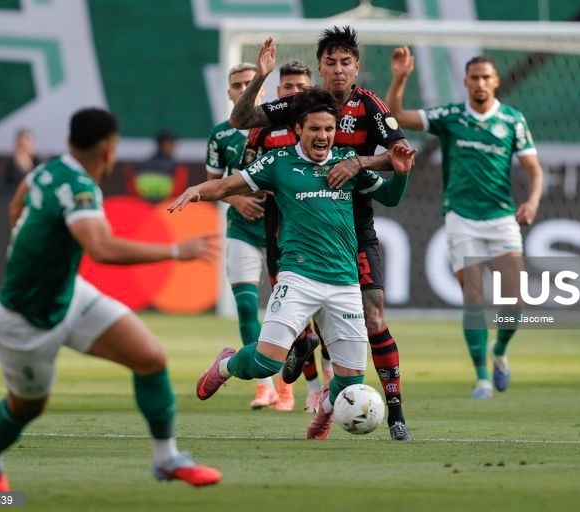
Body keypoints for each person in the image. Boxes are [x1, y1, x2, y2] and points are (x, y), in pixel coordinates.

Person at [0, 108, 222, 492]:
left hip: (68, 294)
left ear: (70, 142)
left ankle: (167, 459)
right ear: (110, 149)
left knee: (150, 359)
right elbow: (100, 248)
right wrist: (174, 251)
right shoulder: (82, 188)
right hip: (22, 321)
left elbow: (15, 206)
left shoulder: (45, 171)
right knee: (28, 407)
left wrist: (32, 248)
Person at [169, 87, 415, 440]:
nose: (323, 136)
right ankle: (225, 365)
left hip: (345, 283)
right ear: (299, 128)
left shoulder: (346, 163)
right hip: (299, 278)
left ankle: (325, 414)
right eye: (315, 129)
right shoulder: (279, 162)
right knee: (266, 363)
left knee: (350, 380)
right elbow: (228, 186)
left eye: (329, 129)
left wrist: (402, 173)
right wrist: (197, 190)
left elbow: (390, 197)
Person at [230, 26, 414, 441]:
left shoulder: (370, 107)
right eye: (329, 62)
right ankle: (301, 342)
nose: (337, 70)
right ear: (320, 67)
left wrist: (360, 164)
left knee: (373, 314)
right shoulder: (302, 104)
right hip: (292, 221)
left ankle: (396, 412)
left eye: (345, 62)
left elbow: (400, 155)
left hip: (353, 223)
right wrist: (260, 77)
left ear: (356, 67)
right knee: (291, 311)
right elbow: (241, 119)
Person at [385, 47, 543, 399]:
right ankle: (482, 378)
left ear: (496, 82)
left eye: (487, 77)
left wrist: (531, 202)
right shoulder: (451, 116)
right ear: (465, 82)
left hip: (502, 218)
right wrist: (399, 79)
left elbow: (535, 171)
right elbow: (396, 114)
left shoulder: (513, 120)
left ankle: (499, 351)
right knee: (473, 296)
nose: (481, 83)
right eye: (475, 78)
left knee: (514, 302)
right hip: (461, 218)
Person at [241, 59, 333, 413]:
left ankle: (327, 382)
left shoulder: (322, 127)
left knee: (327, 315)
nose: (295, 92)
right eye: (289, 87)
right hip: (279, 232)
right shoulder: (263, 132)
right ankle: (311, 389)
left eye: (301, 87)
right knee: (295, 321)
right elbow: (247, 173)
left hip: (323, 232)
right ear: (279, 93)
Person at [206, 63, 290, 410]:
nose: (244, 89)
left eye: (250, 83)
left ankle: (290, 387)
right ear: (229, 93)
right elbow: (213, 182)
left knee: (286, 310)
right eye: (237, 85)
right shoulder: (220, 135)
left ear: (263, 91)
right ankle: (263, 385)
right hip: (241, 229)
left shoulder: (281, 129)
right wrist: (236, 198)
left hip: (281, 229)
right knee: (244, 304)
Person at [128, 130, 188, 203]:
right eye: (170, 144)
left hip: (147, 205)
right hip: (163, 207)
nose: (173, 147)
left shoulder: (141, 165)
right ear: (163, 144)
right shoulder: (177, 168)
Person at [1, 129, 40, 195]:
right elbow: (2, 187)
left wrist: (28, 169)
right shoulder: (9, 162)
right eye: (21, 146)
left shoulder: (39, 162)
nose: (23, 150)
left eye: (27, 144)